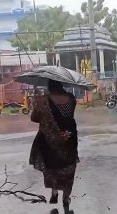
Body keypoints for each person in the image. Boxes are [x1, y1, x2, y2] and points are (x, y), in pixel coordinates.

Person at [29, 80, 78, 210]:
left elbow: (34, 118)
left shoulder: (43, 101)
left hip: (47, 140)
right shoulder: (71, 99)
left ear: (49, 86)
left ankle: (54, 191)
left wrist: (37, 104)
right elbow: (70, 115)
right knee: (68, 168)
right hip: (69, 137)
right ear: (61, 85)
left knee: (51, 167)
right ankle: (66, 198)